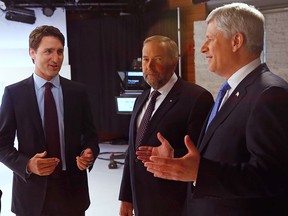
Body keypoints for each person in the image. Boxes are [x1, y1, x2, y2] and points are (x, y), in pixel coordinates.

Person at [138, 3, 288, 216]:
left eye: (210, 39)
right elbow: (224, 155)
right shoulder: (230, 91)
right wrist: (179, 159)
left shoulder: (270, 93)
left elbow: (273, 177)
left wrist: (200, 172)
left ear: (236, 41)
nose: (203, 48)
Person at [0, 25, 99, 216]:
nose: (56, 58)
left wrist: (89, 152)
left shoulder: (77, 92)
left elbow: (90, 136)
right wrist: (27, 164)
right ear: (32, 53)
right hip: (31, 191)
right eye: (48, 51)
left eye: (60, 51)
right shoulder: (14, 94)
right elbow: (2, 144)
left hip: (72, 191)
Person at [118, 35, 214, 216]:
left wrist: (173, 156)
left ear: (174, 61)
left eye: (158, 59)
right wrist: (126, 198)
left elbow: (203, 156)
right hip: (141, 202)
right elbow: (133, 153)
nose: (149, 66)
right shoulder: (141, 99)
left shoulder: (197, 98)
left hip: (176, 205)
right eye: (145, 59)